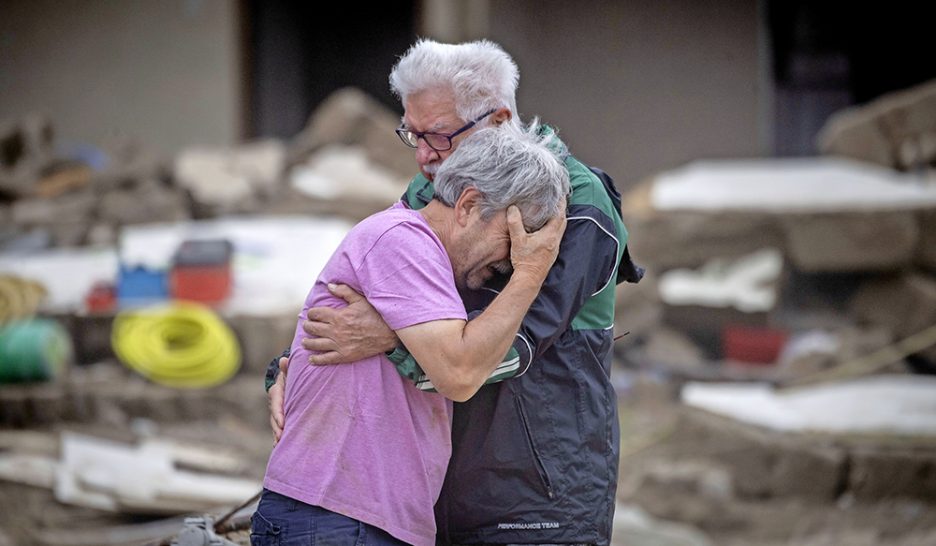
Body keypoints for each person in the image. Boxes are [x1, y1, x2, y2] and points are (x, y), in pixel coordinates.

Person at [265, 39, 644, 545]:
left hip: (539, 498)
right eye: (412, 135)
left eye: (439, 136)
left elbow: (513, 343)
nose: (423, 156)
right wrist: (293, 365)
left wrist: (389, 335)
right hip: (439, 494)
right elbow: (382, 289)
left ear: (498, 119)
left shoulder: (574, 202)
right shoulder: (433, 188)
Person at [251, 124, 569, 546]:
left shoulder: (421, 257)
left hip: (357, 520)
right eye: (511, 238)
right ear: (469, 205)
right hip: (335, 519)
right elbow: (459, 372)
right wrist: (533, 271)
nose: (513, 258)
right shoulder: (402, 241)